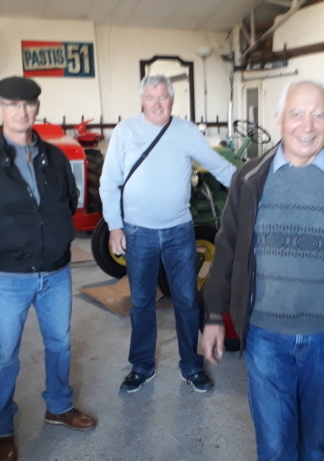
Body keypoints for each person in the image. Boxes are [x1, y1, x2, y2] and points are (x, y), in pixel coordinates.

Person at [201, 80, 324, 460]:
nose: (307, 126)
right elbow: (226, 250)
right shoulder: (250, 179)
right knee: (276, 447)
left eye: (318, 115)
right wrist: (212, 316)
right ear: (279, 120)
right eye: (297, 114)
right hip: (265, 335)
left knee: (313, 445)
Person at [0, 76, 96, 461]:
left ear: (37, 107)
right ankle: (1, 430)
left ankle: (59, 407)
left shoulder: (55, 157)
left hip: (56, 272)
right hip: (8, 277)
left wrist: (54, 239)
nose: (22, 111)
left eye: (28, 104)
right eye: (13, 104)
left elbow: (69, 200)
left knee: (60, 343)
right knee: (5, 354)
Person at [99, 74, 236, 393]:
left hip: (179, 232)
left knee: (187, 300)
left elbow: (220, 166)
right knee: (141, 302)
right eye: (150, 97)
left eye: (163, 97)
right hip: (138, 232)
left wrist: (253, 186)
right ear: (142, 101)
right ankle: (142, 366)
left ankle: (191, 366)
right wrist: (114, 225)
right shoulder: (125, 131)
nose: (157, 104)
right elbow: (109, 182)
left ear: (172, 100)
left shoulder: (186, 131)